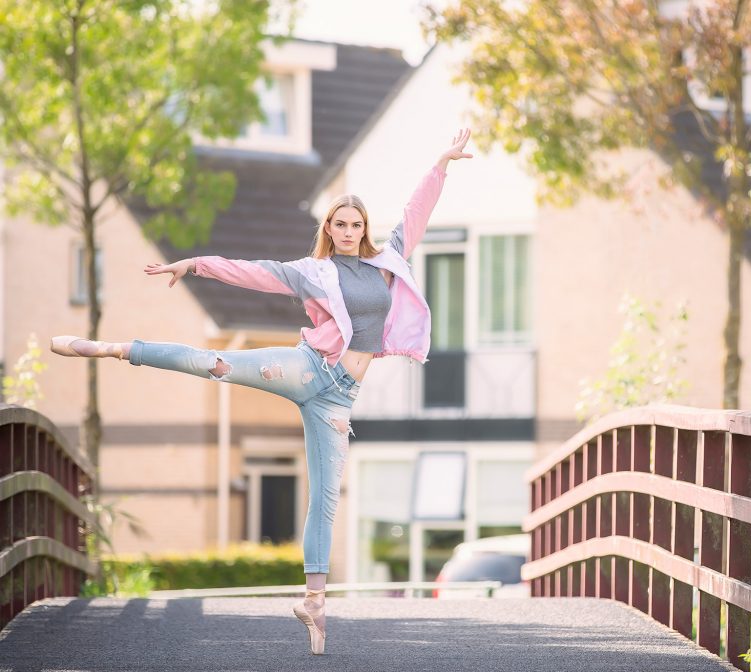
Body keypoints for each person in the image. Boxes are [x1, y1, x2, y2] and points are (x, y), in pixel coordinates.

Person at [50, 128, 474, 655]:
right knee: (218, 365)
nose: (347, 230)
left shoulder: (388, 264)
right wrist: (195, 264)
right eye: (339, 224)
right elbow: (253, 273)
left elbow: (415, 215)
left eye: (355, 223)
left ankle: (314, 604)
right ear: (328, 228)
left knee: (324, 500)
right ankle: (118, 348)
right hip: (307, 369)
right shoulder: (313, 272)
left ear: (365, 228)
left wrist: (441, 162)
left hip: (339, 399)